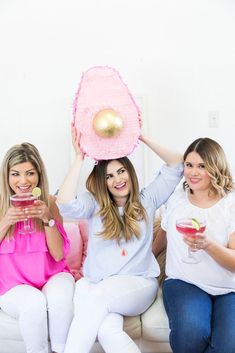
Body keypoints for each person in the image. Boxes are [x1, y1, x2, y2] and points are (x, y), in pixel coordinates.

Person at [56, 126, 183, 353]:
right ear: (102, 182)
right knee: (106, 329)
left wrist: (142, 136)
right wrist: (78, 158)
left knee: (95, 297)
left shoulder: (148, 199)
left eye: (121, 171)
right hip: (101, 286)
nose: (117, 180)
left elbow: (177, 164)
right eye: (109, 176)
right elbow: (64, 203)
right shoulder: (94, 204)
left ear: (130, 173)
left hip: (139, 284)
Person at [161, 137, 235, 353]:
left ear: (215, 167)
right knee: (190, 335)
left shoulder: (230, 203)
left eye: (202, 166)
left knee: (229, 346)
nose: (193, 172)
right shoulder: (177, 198)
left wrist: (208, 245)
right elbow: (161, 239)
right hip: (184, 282)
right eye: (189, 165)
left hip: (228, 289)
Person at [0, 142, 75, 353]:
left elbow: (59, 254)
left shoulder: (50, 203)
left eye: (30, 173)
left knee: (60, 299)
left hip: (52, 276)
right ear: (6, 177)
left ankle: (62, 350)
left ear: (39, 175)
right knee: (34, 304)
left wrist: (46, 219)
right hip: (12, 285)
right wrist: (6, 221)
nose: (23, 181)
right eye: (15, 174)